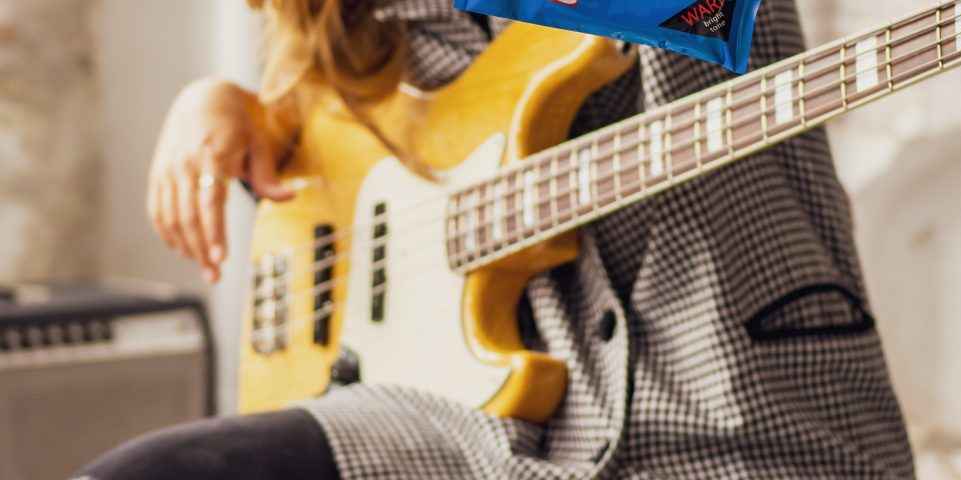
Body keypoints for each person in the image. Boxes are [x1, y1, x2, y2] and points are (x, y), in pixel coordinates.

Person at [80, 0, 915, 477]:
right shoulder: (357, 18)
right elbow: (321, 133)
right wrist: (223, 103)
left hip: (729, 413)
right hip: (450, 426)